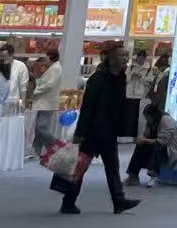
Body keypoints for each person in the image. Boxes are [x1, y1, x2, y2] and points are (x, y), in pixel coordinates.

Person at [60, 41, 137, 216]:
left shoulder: (120, 78)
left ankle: (118, 201)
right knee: (81, 167)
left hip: (108, 131)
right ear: (111, 58)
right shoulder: (98, 79)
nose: (126, 58)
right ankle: (69, 202)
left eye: (126, 55)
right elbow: (87, 107)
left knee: (112, 167)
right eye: (122, 55)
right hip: (93, 132)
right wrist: (80, 133)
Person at [127, 100, 177, 187]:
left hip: (171, 149)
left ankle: (154, 175)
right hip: (159, 145)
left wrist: (145, 140)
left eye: (147, 117)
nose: (146, 120)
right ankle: (133, 176)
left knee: (157, 146)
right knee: (140, 147)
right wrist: (140, 140)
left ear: (153, 116)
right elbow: (146, 135)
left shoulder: (167, 121)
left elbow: (162, 141)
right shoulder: (151, 122)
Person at [30, 47, 64, 156]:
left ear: (51, 57)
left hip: (47, 102)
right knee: (39, 128)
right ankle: (36, 151)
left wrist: (36, 90)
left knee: (41, 127)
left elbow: (50, 84)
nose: (45, 60)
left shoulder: (56, 68)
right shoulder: (53, 68)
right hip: (45, 102)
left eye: (47, 57)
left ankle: (56, 145)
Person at [124, 48, 151, 140]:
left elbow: (148, 83)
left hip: (141, 96)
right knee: (129, 116)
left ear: (145, 58)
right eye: (139, 58)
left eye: (142, 58)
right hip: (130, 95)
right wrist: (132, 74)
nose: (140, 60)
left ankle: (138, 135)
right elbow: (126, 79)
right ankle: (128, 134)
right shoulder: (131, 67)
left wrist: (141, 77)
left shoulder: (149, 69)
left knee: (140, 117)